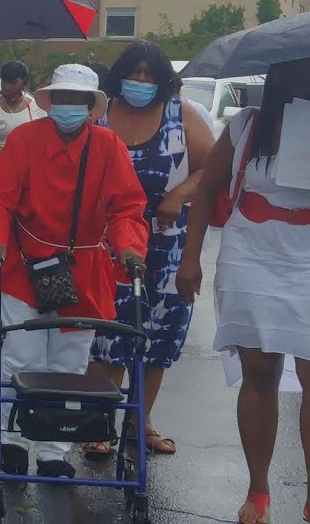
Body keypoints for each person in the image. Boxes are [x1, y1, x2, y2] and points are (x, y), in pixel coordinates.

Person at [0, 64, 148, 478]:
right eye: (63, 98)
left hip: (83, 267)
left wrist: (128, 248)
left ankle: (54, 450)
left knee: (70, 364)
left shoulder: (109, 146)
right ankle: (13, 441)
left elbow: (127, 208)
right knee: (22, 355)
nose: (69, 106)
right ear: (51, 102)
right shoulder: (23, 139)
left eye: (78, 99)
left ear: (91, 105)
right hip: (24, 263)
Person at [177, 56, 310, 524]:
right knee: (259, 374)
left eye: (309, 69)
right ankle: (258, 489)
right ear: (273, 77)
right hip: (252, 257)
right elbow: (207, 190)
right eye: (287, 70)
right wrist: (189, 258)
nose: (298, 78)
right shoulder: (247, 125)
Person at [82, 42, 214, 458]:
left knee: (157, 338)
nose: (141, 80)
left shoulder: (181, 114)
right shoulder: (99, 115)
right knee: (107, 336)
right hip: (106, 245)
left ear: (163, 80)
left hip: (168, 245)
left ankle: (141, 422)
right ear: (119, 74)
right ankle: (98, 423)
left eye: (149, 74)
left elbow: (212, 167)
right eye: (134, 72)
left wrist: (178, 194)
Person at [0, 60, 44, 182]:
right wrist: (7, 157)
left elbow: (43, 141)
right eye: (4, 81)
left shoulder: (36, 107)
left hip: (28, 173)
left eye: (12, 82)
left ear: (25, 83)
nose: (6, 86)